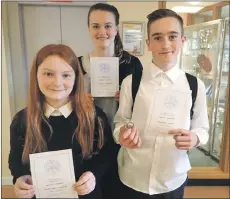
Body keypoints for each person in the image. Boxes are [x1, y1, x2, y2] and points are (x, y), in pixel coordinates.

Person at [113, 9, 209, 199]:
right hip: (132, 177)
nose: (165, 44)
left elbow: (203, 128)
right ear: (148, 44)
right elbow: (119, 122)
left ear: (183, 40)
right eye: (157, 37)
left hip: (172, 179)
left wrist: (195, 138)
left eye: (172, 36)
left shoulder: (195, 85)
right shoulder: (131, 83)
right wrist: (122, 135)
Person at [8, 44, 115, 199]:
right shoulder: (22, 120)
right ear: (36, 75)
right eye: (48, 74)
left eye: (66, 75)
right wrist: (19, 178)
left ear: (76, 78)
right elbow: (16, 158)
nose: (57, 83)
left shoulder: (94, 116)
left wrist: (93, 175)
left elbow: (108, 153)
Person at [78, 3, 143, 199]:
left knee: (120, 190)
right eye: (96, 26)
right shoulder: (76, 64)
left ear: (116, 29)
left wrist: (128, 98)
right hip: (87, 140)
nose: (102, 31)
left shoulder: (131, 64)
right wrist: (77, 100)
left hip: (122, 139)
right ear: (89, 28)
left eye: (108, 26)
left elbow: (144, 103)